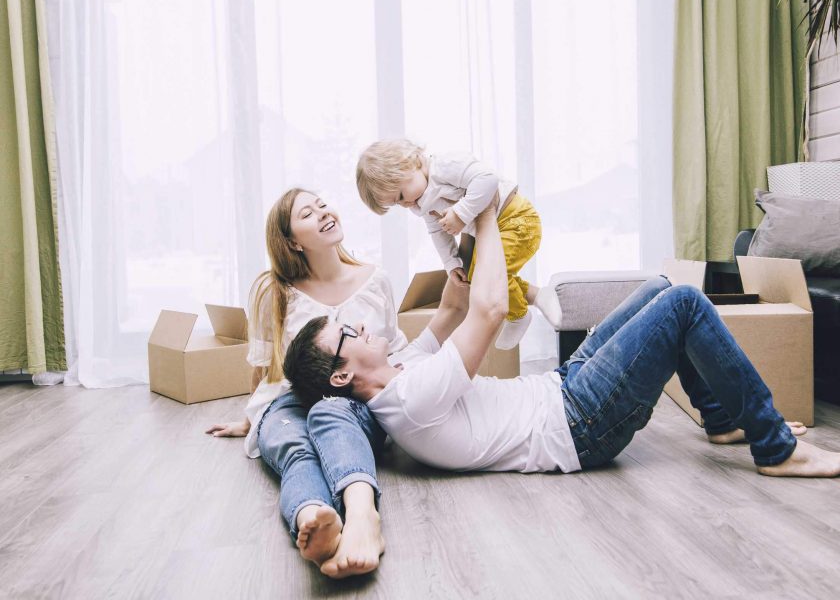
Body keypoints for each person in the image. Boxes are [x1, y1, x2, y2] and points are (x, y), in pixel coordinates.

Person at [283, 205, 840, 479]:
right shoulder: (410, 398)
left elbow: (455, 306)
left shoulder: (403, 367)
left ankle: (721, 420)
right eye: (347, 333)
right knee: (686, 306)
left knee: (663, 288)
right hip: (578, 425)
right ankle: (776, 449)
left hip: (561, 389)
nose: (360, 326)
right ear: (341, 375)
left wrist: (439, 217)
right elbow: (490, 308)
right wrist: (487, 214)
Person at [205, 188, 408, 578]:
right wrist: (250, 421)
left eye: (322, 204)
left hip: (354, 404)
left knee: (332, 415)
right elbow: (264, 366)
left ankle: (363, 517)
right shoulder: (273, 291)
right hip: (290, 401)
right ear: (292, 241)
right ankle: (314, 521)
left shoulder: (376, 279)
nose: (322, 212)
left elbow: (394, 349)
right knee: (296, 447)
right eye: (307, 213)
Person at [355, 138, 561, 349]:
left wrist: (461, 213)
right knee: (476, 280)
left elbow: (487, 179)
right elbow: (437, 231)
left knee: (491, 277)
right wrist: (451, 263)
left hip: (517, 221)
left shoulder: (444, 167)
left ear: (407, 164)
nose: (405, 204)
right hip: (494, 232)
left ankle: (518, 315)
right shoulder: (422, 201)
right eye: (397, 203)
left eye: (400, 195)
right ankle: (536, 295)